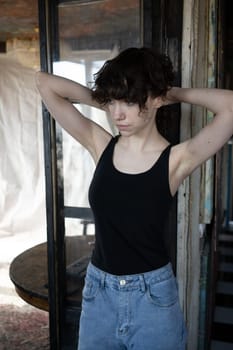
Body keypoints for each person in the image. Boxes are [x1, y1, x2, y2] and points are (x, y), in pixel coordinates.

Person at [36, 47, 233, 350]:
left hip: (152, 300)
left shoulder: (175, 160)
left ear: (155, 100)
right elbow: (45, 83)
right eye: (113, 102)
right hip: (98, 293)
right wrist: (108, 98)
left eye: (129, 102)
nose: (118, 114)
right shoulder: (101, 144)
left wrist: (172, 94)